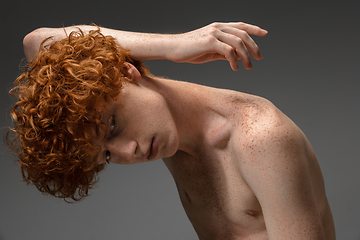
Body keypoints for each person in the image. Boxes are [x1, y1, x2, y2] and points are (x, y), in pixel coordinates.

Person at [7, 22, 336, 240]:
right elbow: (37, 44)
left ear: (125, 72)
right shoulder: (172, 138)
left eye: (112, 126)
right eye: (106, 155)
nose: (125, 153)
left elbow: (39, 42)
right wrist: (165, 47)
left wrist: (176, 45)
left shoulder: (259, 137)